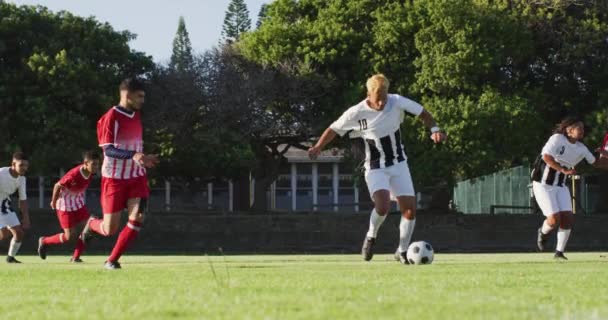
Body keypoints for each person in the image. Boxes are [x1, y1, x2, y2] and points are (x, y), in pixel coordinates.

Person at [308, 74, 446, 264]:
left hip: (399, 164)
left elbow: (423, 113)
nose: (381, 102)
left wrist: (435, 130)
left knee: (410, 211)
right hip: (375, 167)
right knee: (382, 206)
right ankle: (371, 236)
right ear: (368, 94)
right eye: (377, 98)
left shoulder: (396, 101)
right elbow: (333, 129)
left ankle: (402, 251)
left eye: (384, 96)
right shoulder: (356, 112)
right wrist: (317, 147)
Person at [81, 77, 159, 270]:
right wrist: (133, 155)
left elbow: (134, 146)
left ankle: (112, 260)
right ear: (127, 95)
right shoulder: (110, 118)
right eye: (139, 96)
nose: (143, 100)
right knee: (109, 229)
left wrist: (143, 157)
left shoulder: (137, 115)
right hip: (114, 180)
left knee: (137, 218)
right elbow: (108, 151)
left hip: (137, 178)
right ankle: (92, 225)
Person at [534, 117, 608, 260]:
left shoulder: (582, 148)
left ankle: (559, 253)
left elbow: (597, 163)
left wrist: (605, 155)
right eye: (579, 127)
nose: (582, 131)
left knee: (567, 218)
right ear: (569, 130)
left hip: (560, 186)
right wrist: (563, 170)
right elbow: (546, 157)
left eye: (583, 128)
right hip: (543, 184)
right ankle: (542, 233)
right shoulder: (557, 139)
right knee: (554, 219)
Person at [37, 151, 100, 262]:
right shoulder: (74, 175)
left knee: (89, 228)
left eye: (97, 164)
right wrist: (54, 201)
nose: (96, 167)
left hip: (78, 204)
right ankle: (44, 241)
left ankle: (75, 257)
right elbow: (57, 185)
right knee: (69, 237)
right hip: (65, 206)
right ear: (85, 163)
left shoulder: (90, 172)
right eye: (93, 164)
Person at [0, 152, 30, 263]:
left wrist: (26, 218)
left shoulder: (22, 179)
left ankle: (10, 258)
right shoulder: (1, 173)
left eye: (26, 165)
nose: (24, 168)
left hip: (4, 205)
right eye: (21, 165)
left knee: (19, 233)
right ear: (13, 164)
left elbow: (22, 200)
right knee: (4, 234)